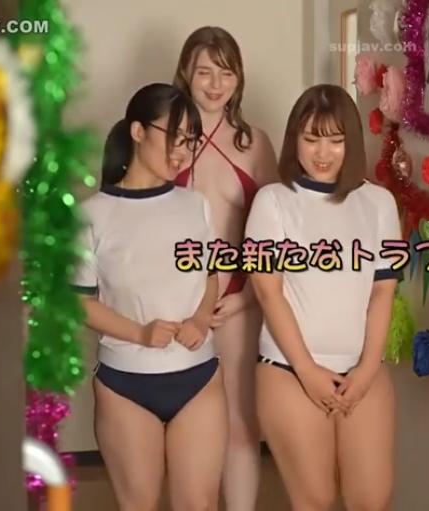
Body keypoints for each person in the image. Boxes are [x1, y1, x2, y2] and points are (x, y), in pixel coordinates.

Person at [245, 84, 401, 511]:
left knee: (372, 498)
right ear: (294, 139)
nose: (322, 153)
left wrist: (367, 370)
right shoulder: (272, 201)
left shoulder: (379, 203)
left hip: (362, 370)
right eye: (311, 139)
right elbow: (268, 292)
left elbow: (383, 291)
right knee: (314, 498)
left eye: (335, 140)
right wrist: (307, 370)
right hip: (288, 370)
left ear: (352, 142)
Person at [72, 83, 227, 511]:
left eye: (190, 140)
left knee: (199, 504)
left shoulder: (196, 205)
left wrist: (200, 318)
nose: (182, 151)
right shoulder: (91, 215)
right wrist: (140, 333)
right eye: (173, 136)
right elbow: (80, 302)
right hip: (125, 384)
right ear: (138, 131)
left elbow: (210, 275)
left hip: (198, 377)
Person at [171, 26, 277, 511]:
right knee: (183, 424)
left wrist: (247, 296)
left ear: (239, 78)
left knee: (239, 422)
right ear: (185, 74)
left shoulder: (255, 142)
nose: (216, 85)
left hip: (238, 295)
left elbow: (276, 231)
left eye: (226, 73)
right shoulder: (165, 139)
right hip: (174, 297)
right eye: (204, 73)